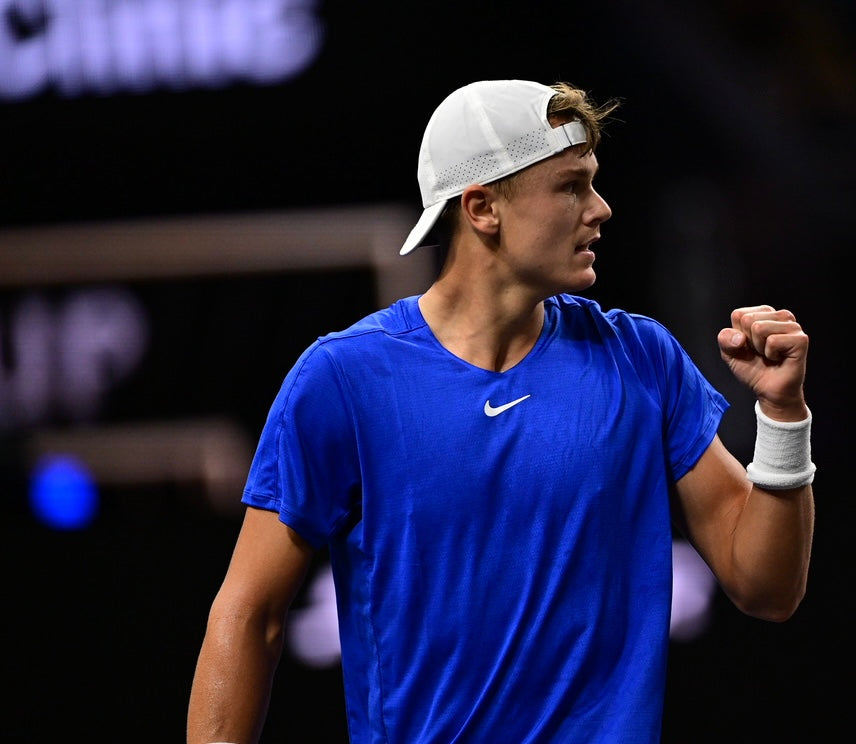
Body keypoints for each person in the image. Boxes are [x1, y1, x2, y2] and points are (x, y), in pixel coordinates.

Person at [187, 78, 817, 744]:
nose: (600, 209)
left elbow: (767, 588)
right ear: (483, 208)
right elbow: (247, 616)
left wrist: (782, 414)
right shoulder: (344, 379)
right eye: (571, 186)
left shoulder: (642, 359)